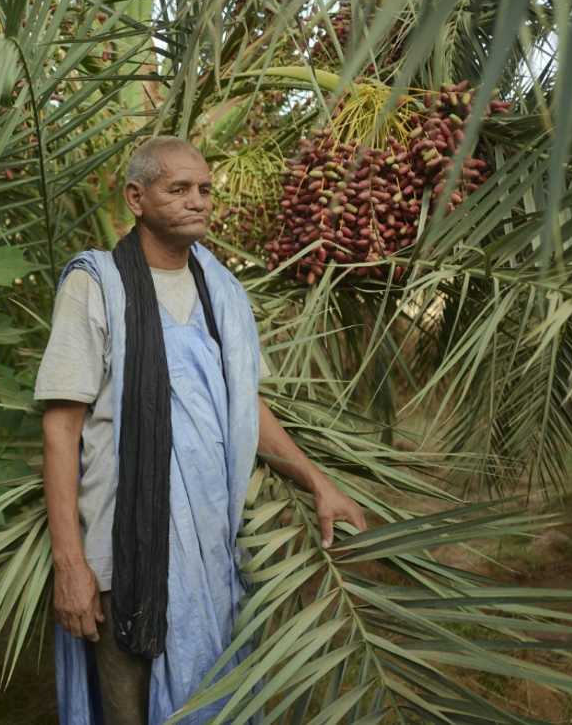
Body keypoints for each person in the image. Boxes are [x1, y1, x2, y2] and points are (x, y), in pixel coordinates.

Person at [34, 136, 367, 725]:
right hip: (123, 553)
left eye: (205, 189)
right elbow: (61, 430)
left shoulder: (223, 294)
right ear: (137, 198)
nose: (198, 201)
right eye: (179, 189)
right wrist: (71, 565)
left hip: (211, 553)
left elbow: (244, 410)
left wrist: (318, 482)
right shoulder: (97, 286)